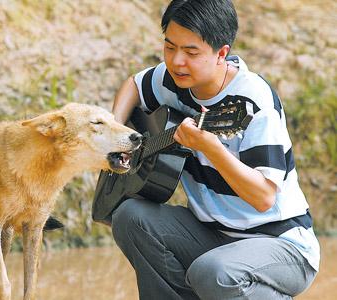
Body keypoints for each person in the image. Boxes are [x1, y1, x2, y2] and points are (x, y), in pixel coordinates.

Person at [110, 0, 320, 299]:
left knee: (213, 272)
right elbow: (134, 84)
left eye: (191, 52)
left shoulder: (252, 102)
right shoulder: (174, 79)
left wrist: (212, 149)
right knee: (131, 217)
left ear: (222, 53)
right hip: (215, 236)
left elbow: (263, 197)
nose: (177, 61)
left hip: (281, 245)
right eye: (170, 47)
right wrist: (118, 131)